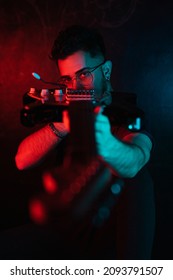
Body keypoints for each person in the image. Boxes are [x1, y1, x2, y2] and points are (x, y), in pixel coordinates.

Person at [13, 25, 155, 259]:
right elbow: (21, 160)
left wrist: (106, 143)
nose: (76, 87)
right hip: (65, 230)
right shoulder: (65, 113)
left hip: (108, 237)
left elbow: (136, 161)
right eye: (67, 79)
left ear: (106, 71)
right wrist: (64, 124)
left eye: (84, 74)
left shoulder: (128, 113)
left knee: (140, 180)